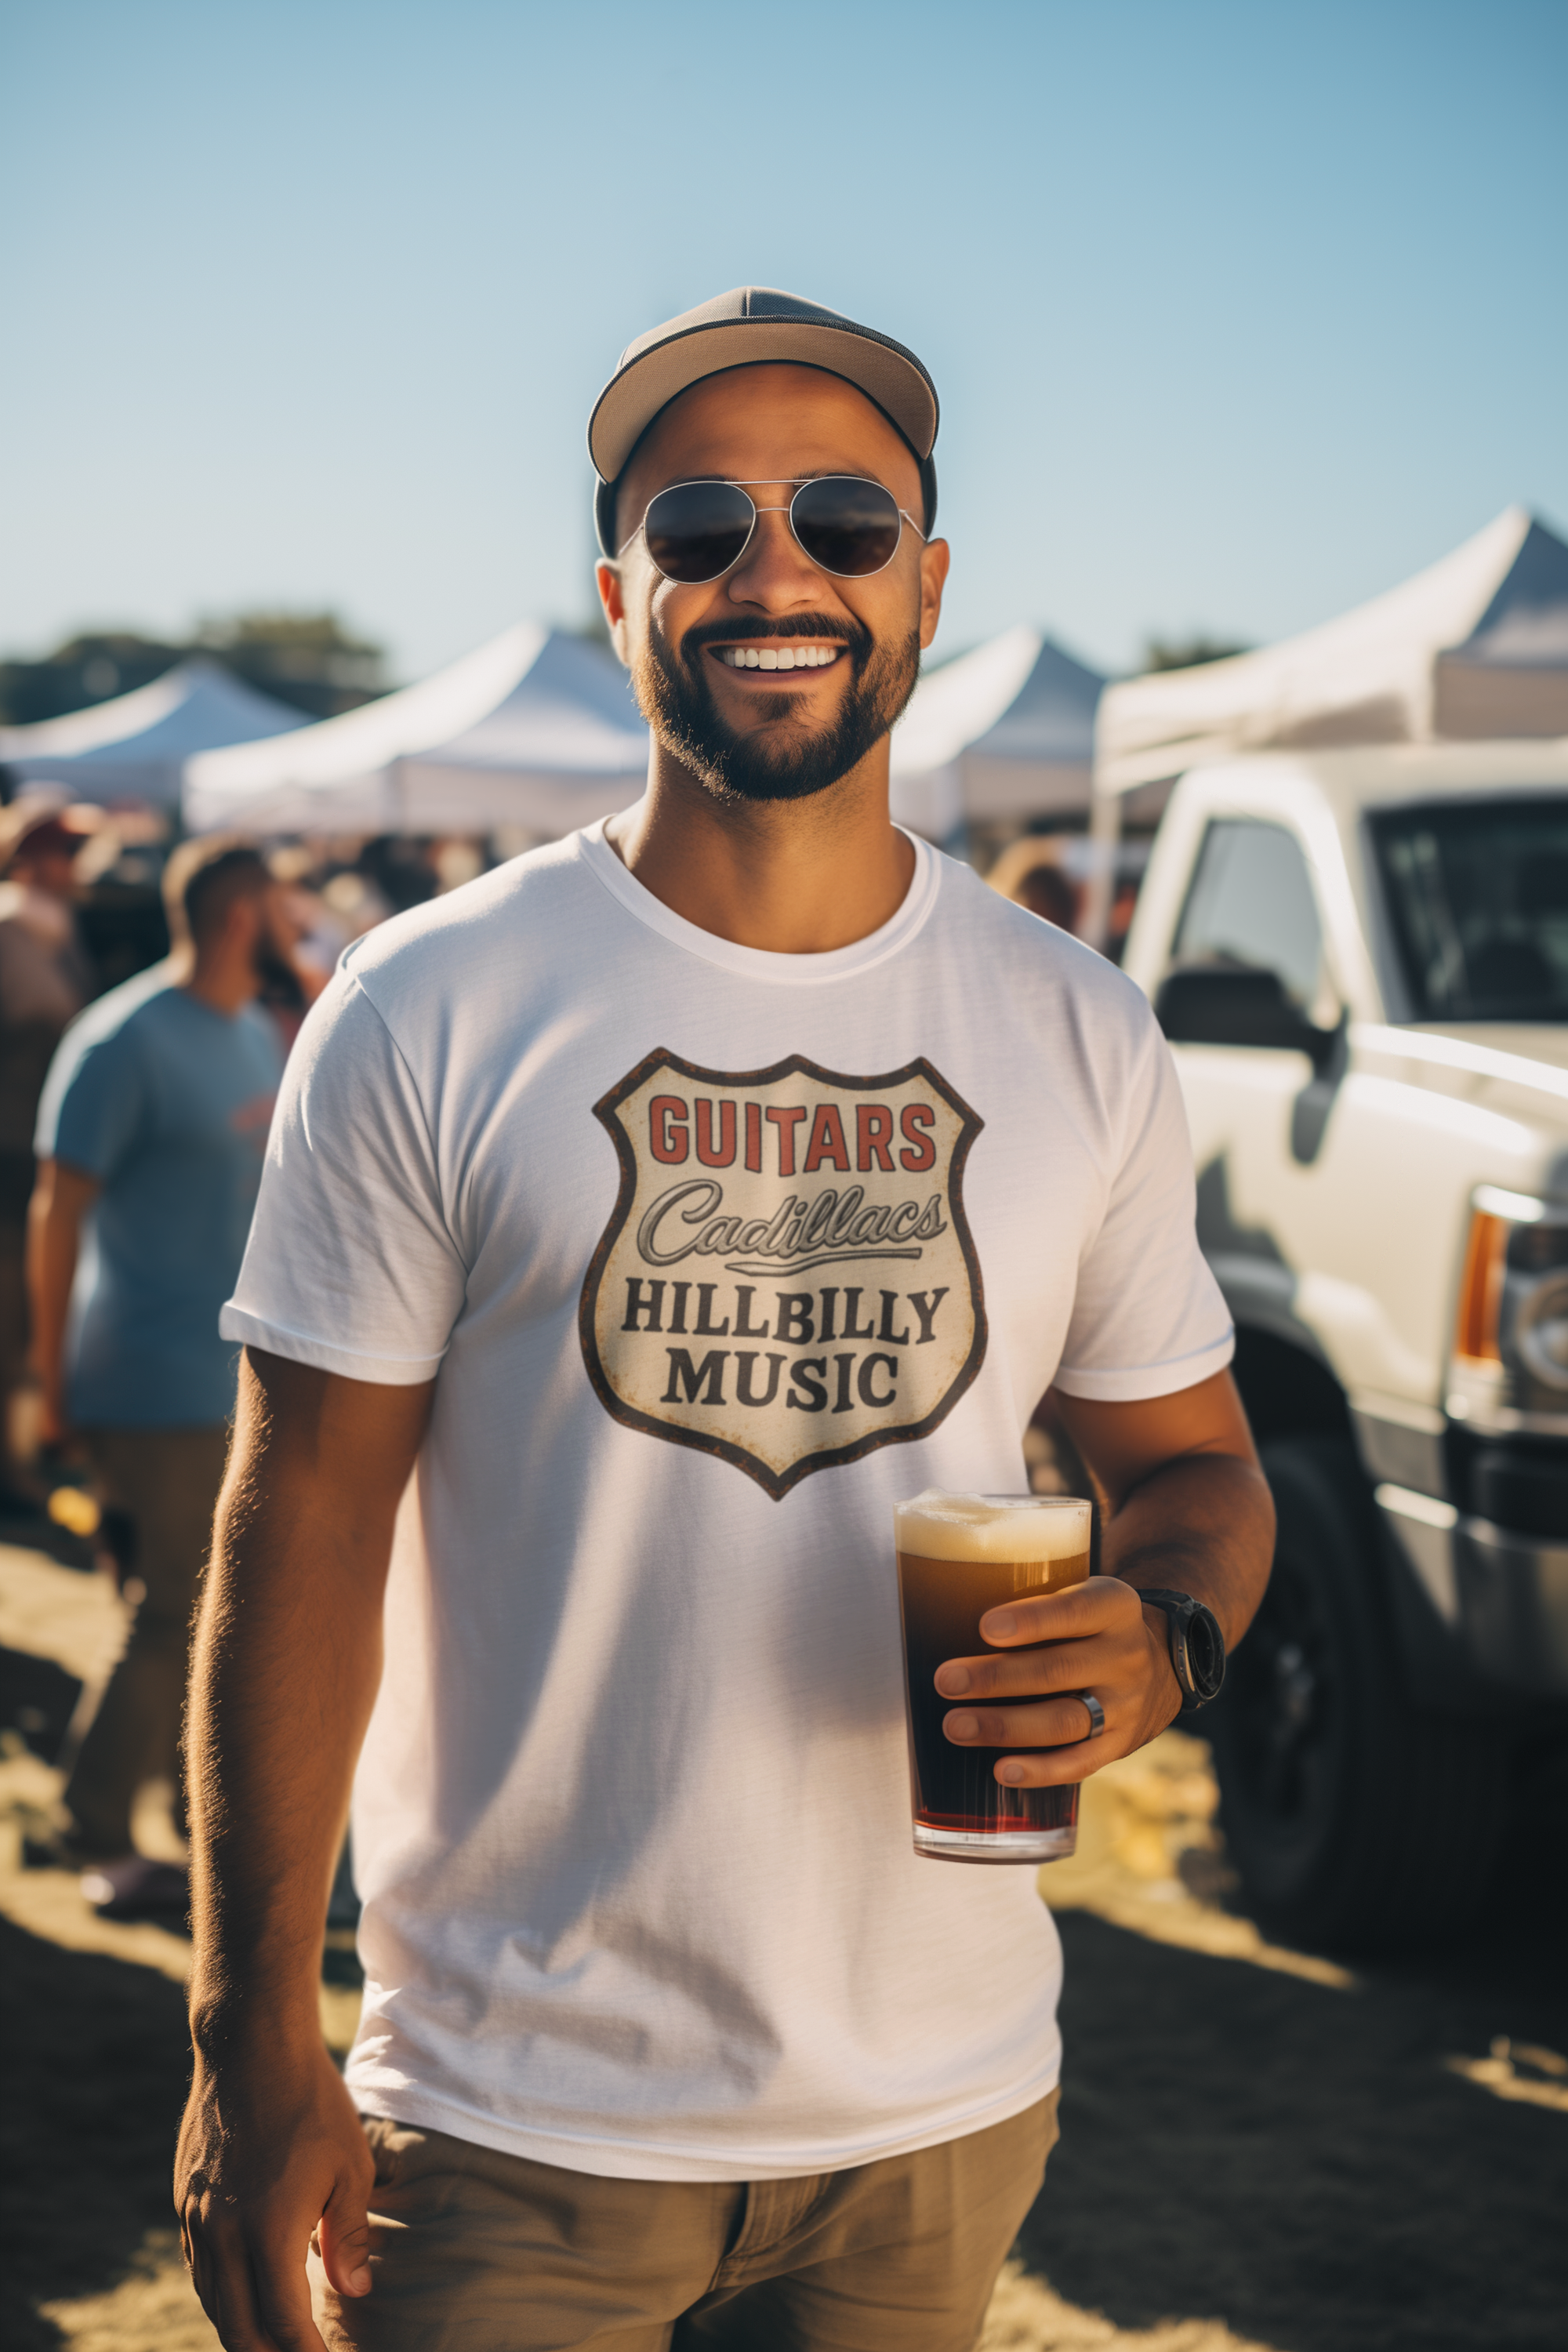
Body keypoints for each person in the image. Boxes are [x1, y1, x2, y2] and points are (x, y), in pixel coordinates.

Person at [176, 288, 1275, 2352]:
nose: (778, 573)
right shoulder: (432, 1002)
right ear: (621, 595)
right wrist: (252, 2039)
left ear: (926, 586)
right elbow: (299, 1521)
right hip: (509, 2114)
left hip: (942, 2115)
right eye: (702, 529)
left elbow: (1196, 1466)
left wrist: (1167, 1636)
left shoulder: (1076, 1024)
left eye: (845, 522)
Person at [25, 840, 290, 1903]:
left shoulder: (246, 1033)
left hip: (235, 1371)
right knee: (175, 1611)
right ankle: (89, 1830)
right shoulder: (124, 1039)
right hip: (146, 1374)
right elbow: (57, 1209)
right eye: (279, 906)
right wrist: (50, 1382)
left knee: (222, 1609)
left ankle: (194, 1819)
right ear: (243, 917)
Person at [0, 798, 98, 1508]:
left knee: (29, 1316)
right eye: (63, 854)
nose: (75, 869)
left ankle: (22, 1460)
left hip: (34, 1155)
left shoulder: (54, 933)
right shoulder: (12, 932)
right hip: (8, 1156)